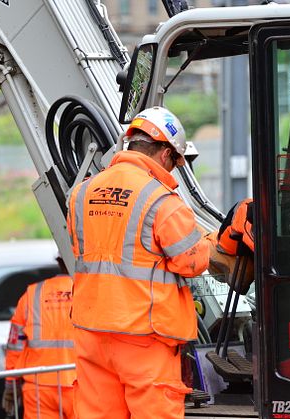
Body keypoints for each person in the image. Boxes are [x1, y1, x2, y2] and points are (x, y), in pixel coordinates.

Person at [67, 106, 211, 419]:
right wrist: (211, 242)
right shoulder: (161, 201)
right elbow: (192, 261)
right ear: (164, 154)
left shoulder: (81, 193)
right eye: (175, 161)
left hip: (92, 333)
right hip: (144, 337)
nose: (173, 170)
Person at [2, 256, 76, 419]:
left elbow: (15, 346)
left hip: (39, 388)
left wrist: (10, 383)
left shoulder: (32, 294)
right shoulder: (89, 292)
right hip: (82, 385)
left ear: (59, 262)